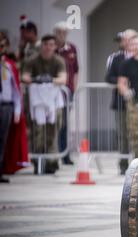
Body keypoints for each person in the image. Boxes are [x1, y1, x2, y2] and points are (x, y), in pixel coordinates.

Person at [22, 34, 67, 174]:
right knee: (37, 132)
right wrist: (37, 79)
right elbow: (24, 76)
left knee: (53, 132)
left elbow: (63, 78)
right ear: (41, 45)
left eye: (51, 45)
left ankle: (51, 162)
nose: (48, 48)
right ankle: (38, 162)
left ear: (55, 47)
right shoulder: (32, 60)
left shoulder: (58, 60)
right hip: (36, 105)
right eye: (46, 44)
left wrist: (50, 80)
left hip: (54, 103)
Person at [106, 29, 137, 174]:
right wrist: (123, 82)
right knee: (123, 134)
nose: (128, 42)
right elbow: (109, 77)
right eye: (126, 39)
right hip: (121, 101)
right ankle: (123, 164)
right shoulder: (115, 58)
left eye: (131, 39)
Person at [0, 38, 26, 183]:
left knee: (3, 140)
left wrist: (17, 110)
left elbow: (15, 89)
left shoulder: (9, 66)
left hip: (6, 106)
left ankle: (1, 170)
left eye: (2, 46)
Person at [54, 21, 79, 165]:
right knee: (51, 124)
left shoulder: (72, 49)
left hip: (67, 91)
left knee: (64, 124)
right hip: (51, 93)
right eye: (59, 32)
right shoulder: (50, 48)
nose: (62, 35)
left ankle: (65, 155)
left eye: (64, 33)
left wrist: (74, 89)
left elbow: (76, 70)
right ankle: (49, 156)